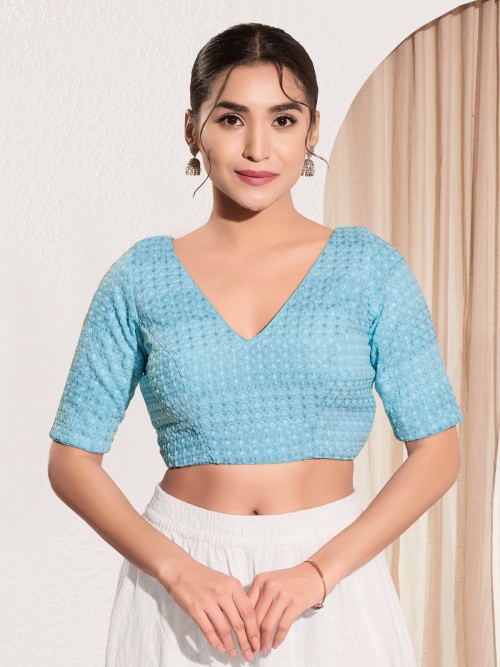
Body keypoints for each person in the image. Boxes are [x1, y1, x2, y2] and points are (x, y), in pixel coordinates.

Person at [47, 22, 463, 666]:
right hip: (183, 586)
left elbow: (438, 452)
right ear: (193, 129)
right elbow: (71, 459)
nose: (257, 148)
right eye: (231, 118)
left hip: (329, 575)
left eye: (284, 120)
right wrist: (178, 570)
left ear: (312, 130)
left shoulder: (367, 268)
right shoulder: (141, 276)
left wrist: (319, 572)